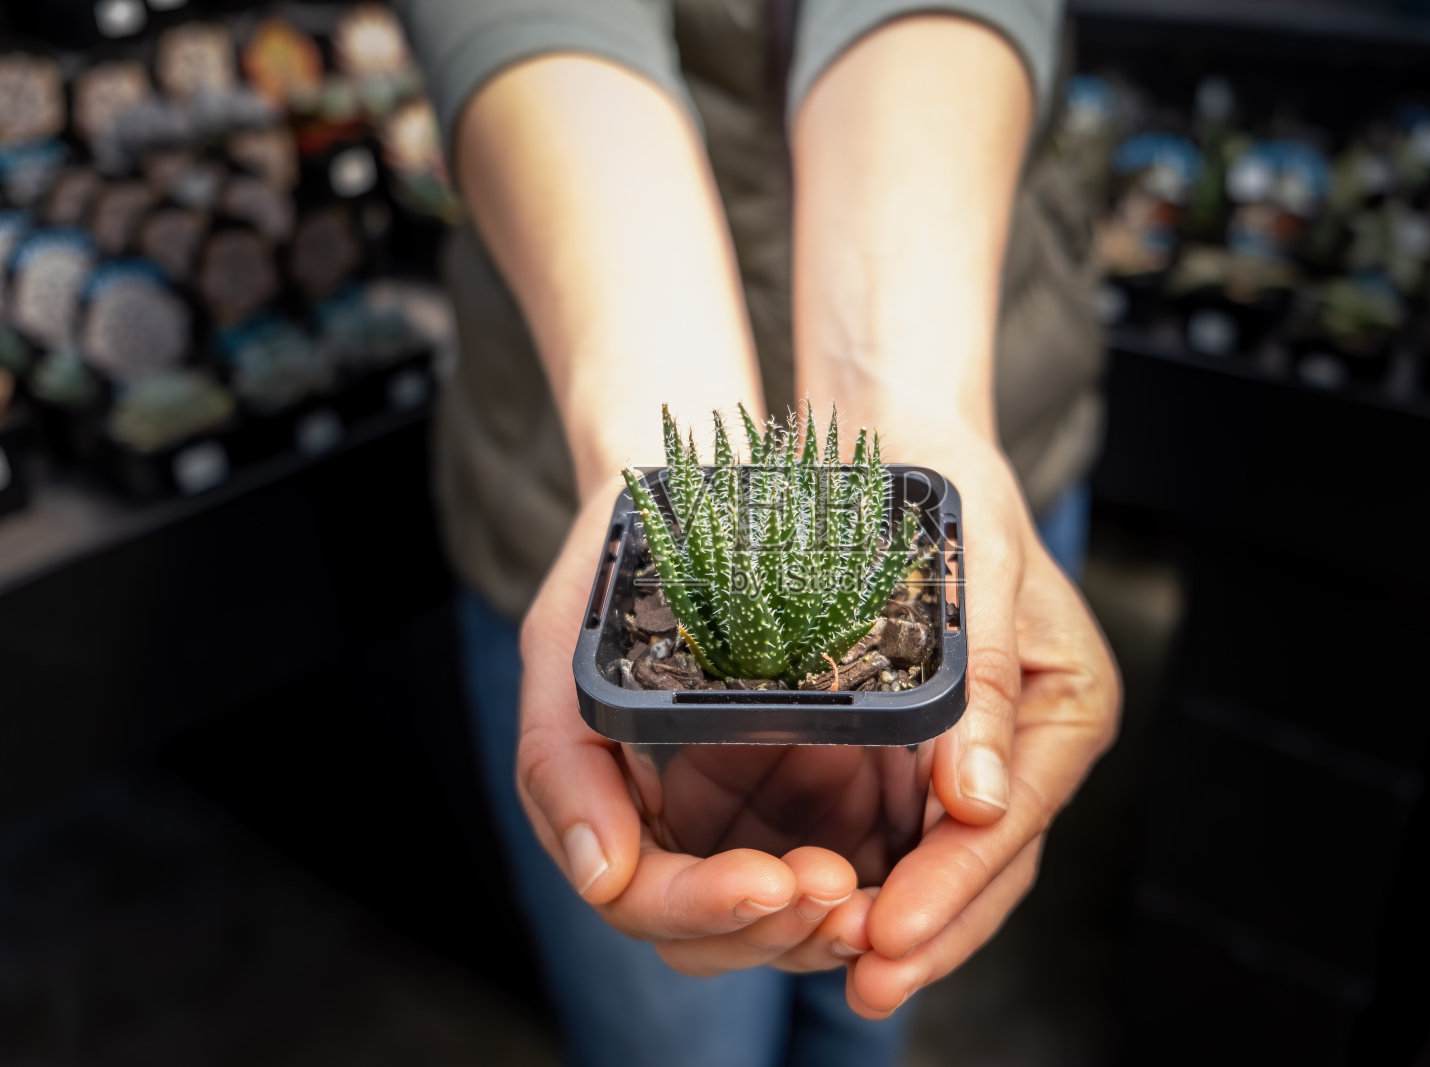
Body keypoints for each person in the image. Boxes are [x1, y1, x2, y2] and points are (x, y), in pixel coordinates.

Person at [397, 1, 1121, 1064]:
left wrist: (906, 404)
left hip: (976, 425)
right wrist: (651, 445)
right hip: (568, 474)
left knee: (878, 973)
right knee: (677, 1024)